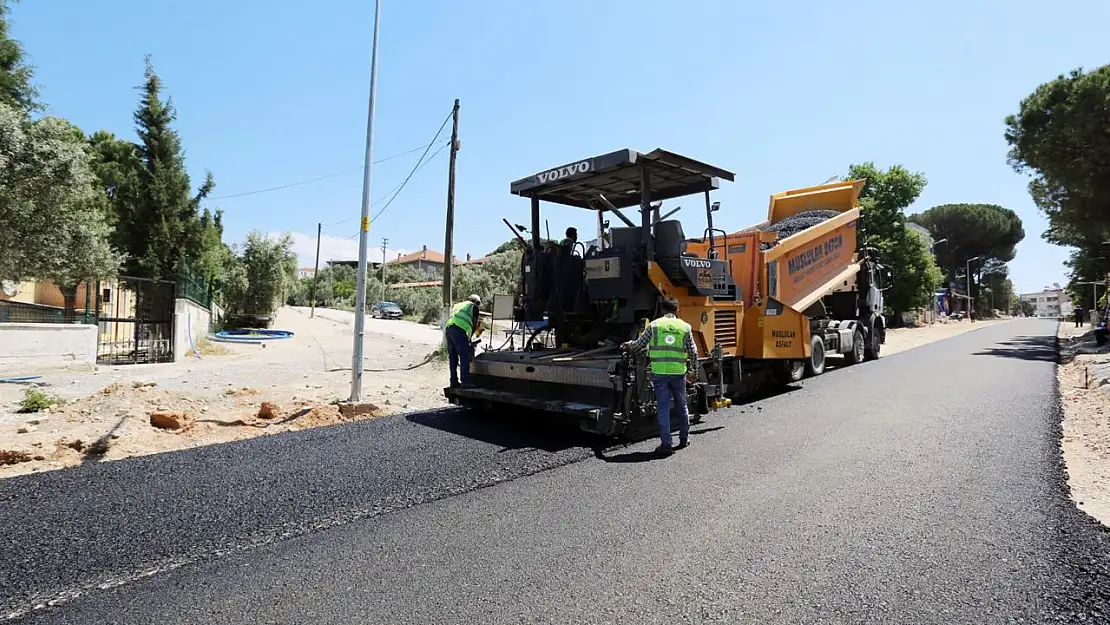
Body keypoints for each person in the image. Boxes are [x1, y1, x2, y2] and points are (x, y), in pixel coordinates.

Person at [621, 297, 699, 456]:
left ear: (662, 310)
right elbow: (693, 352)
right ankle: (684, 439)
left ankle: (666, 445)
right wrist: (694, 372)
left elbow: (638, 345)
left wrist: (628, 345)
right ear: (676, 310)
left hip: (660, 373)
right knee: (682, 405)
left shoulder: (654, 325)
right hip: (678, 373)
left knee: (663, 408)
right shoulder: (685, 327)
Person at [445, 294, 481, 388]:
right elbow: (474, 325)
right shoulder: (473, 307)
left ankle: (453, 382)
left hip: (449, 329)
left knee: (453, 358)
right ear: (476, 302)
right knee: (464, 356)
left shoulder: (458, 305)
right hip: (459, 331)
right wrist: (469, 339)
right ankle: (465, 382)